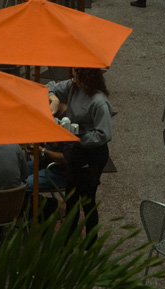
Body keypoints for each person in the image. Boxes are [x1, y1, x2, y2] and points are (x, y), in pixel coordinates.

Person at [46, 67, 113, 236]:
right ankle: (68, 237)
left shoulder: (98, 102)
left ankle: (91, 243)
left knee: (87, 200)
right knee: (71, 197)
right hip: (76, 150)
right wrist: (53, 99)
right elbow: (50, 86)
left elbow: (104, 135)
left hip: (92, 154)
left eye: (75, 71)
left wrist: (77, 136)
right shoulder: (73, 86)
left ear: (86, 75)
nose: (72, 74)